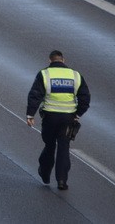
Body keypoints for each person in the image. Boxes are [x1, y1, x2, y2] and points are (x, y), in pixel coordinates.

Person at [26, 50, 90, 191]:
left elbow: (35, 95)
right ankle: (62, 180)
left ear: (50, 61)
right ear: (63, 60)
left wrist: (30, 115)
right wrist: (77, 114)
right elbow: (85, 98)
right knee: (63, 148)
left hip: (50, 117)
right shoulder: (75, 75)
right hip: (68, 118)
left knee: (49, 145)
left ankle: (45, 173)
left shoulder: (44, 74)